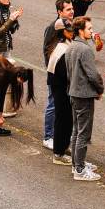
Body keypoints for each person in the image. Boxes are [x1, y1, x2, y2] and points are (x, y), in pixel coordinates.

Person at [65, 16, 104, 182]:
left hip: (73, 92)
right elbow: (92, 74)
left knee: (76, 130)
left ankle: (76, 164)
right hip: (84, 94)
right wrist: (100, 89)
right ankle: (79, 169)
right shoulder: (85, 50)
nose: (91, 31)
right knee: (83, 133)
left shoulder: (71, 47)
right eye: (89, 28)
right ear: (81, 31)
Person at [42, 0, 74, 150]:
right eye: (68, 9)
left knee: (63, 108)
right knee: (53, 104)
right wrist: (54, 71)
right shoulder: (53, 28)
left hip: (67, 75)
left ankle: (61, 137)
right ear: (59, 12)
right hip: (56, 74)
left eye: (72, 8)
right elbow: (48, 51)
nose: (72, 11)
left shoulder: (70, 25)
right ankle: (48, 136)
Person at [46, 18, 74, 166]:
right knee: (63, 120)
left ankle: (62, 147)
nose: (72, 32)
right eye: (69, 30)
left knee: (66, 120)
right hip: (61, 89)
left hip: (61, 88)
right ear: (62, 32)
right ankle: (58, 153)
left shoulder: (62, 45)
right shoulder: (62, 50)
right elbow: (65, 74)